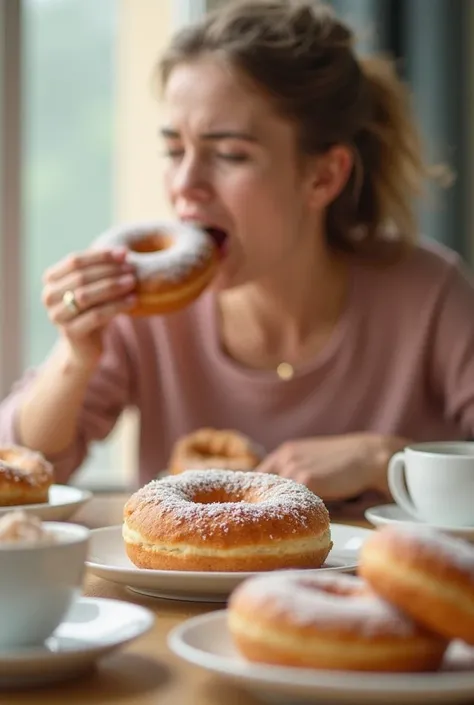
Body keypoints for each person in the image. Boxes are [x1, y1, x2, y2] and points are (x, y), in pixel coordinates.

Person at [1, 0, 473, 505]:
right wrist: (76, 354)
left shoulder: (430, 294)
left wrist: (384, 460)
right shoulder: (149, 306)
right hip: (181, 583)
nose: (185, 185)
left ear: (323, 175)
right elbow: (25, 471)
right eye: (174, 150)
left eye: (229, 154)